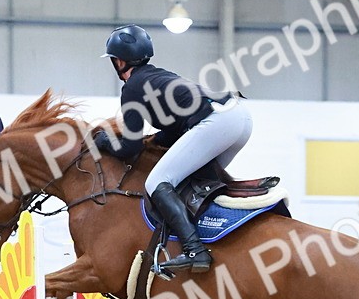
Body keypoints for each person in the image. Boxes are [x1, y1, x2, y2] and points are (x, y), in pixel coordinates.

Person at [92, 24, 252, 274]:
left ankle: (194, 250)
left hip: (218, 122)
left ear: (119, 61)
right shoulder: (158, 75)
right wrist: (153, 140)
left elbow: (130, 148)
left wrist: (103, 141)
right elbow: (174, 130)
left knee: (157, 182)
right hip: (239, 118)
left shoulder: (132, 87)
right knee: (193, 182)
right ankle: (218, 237)